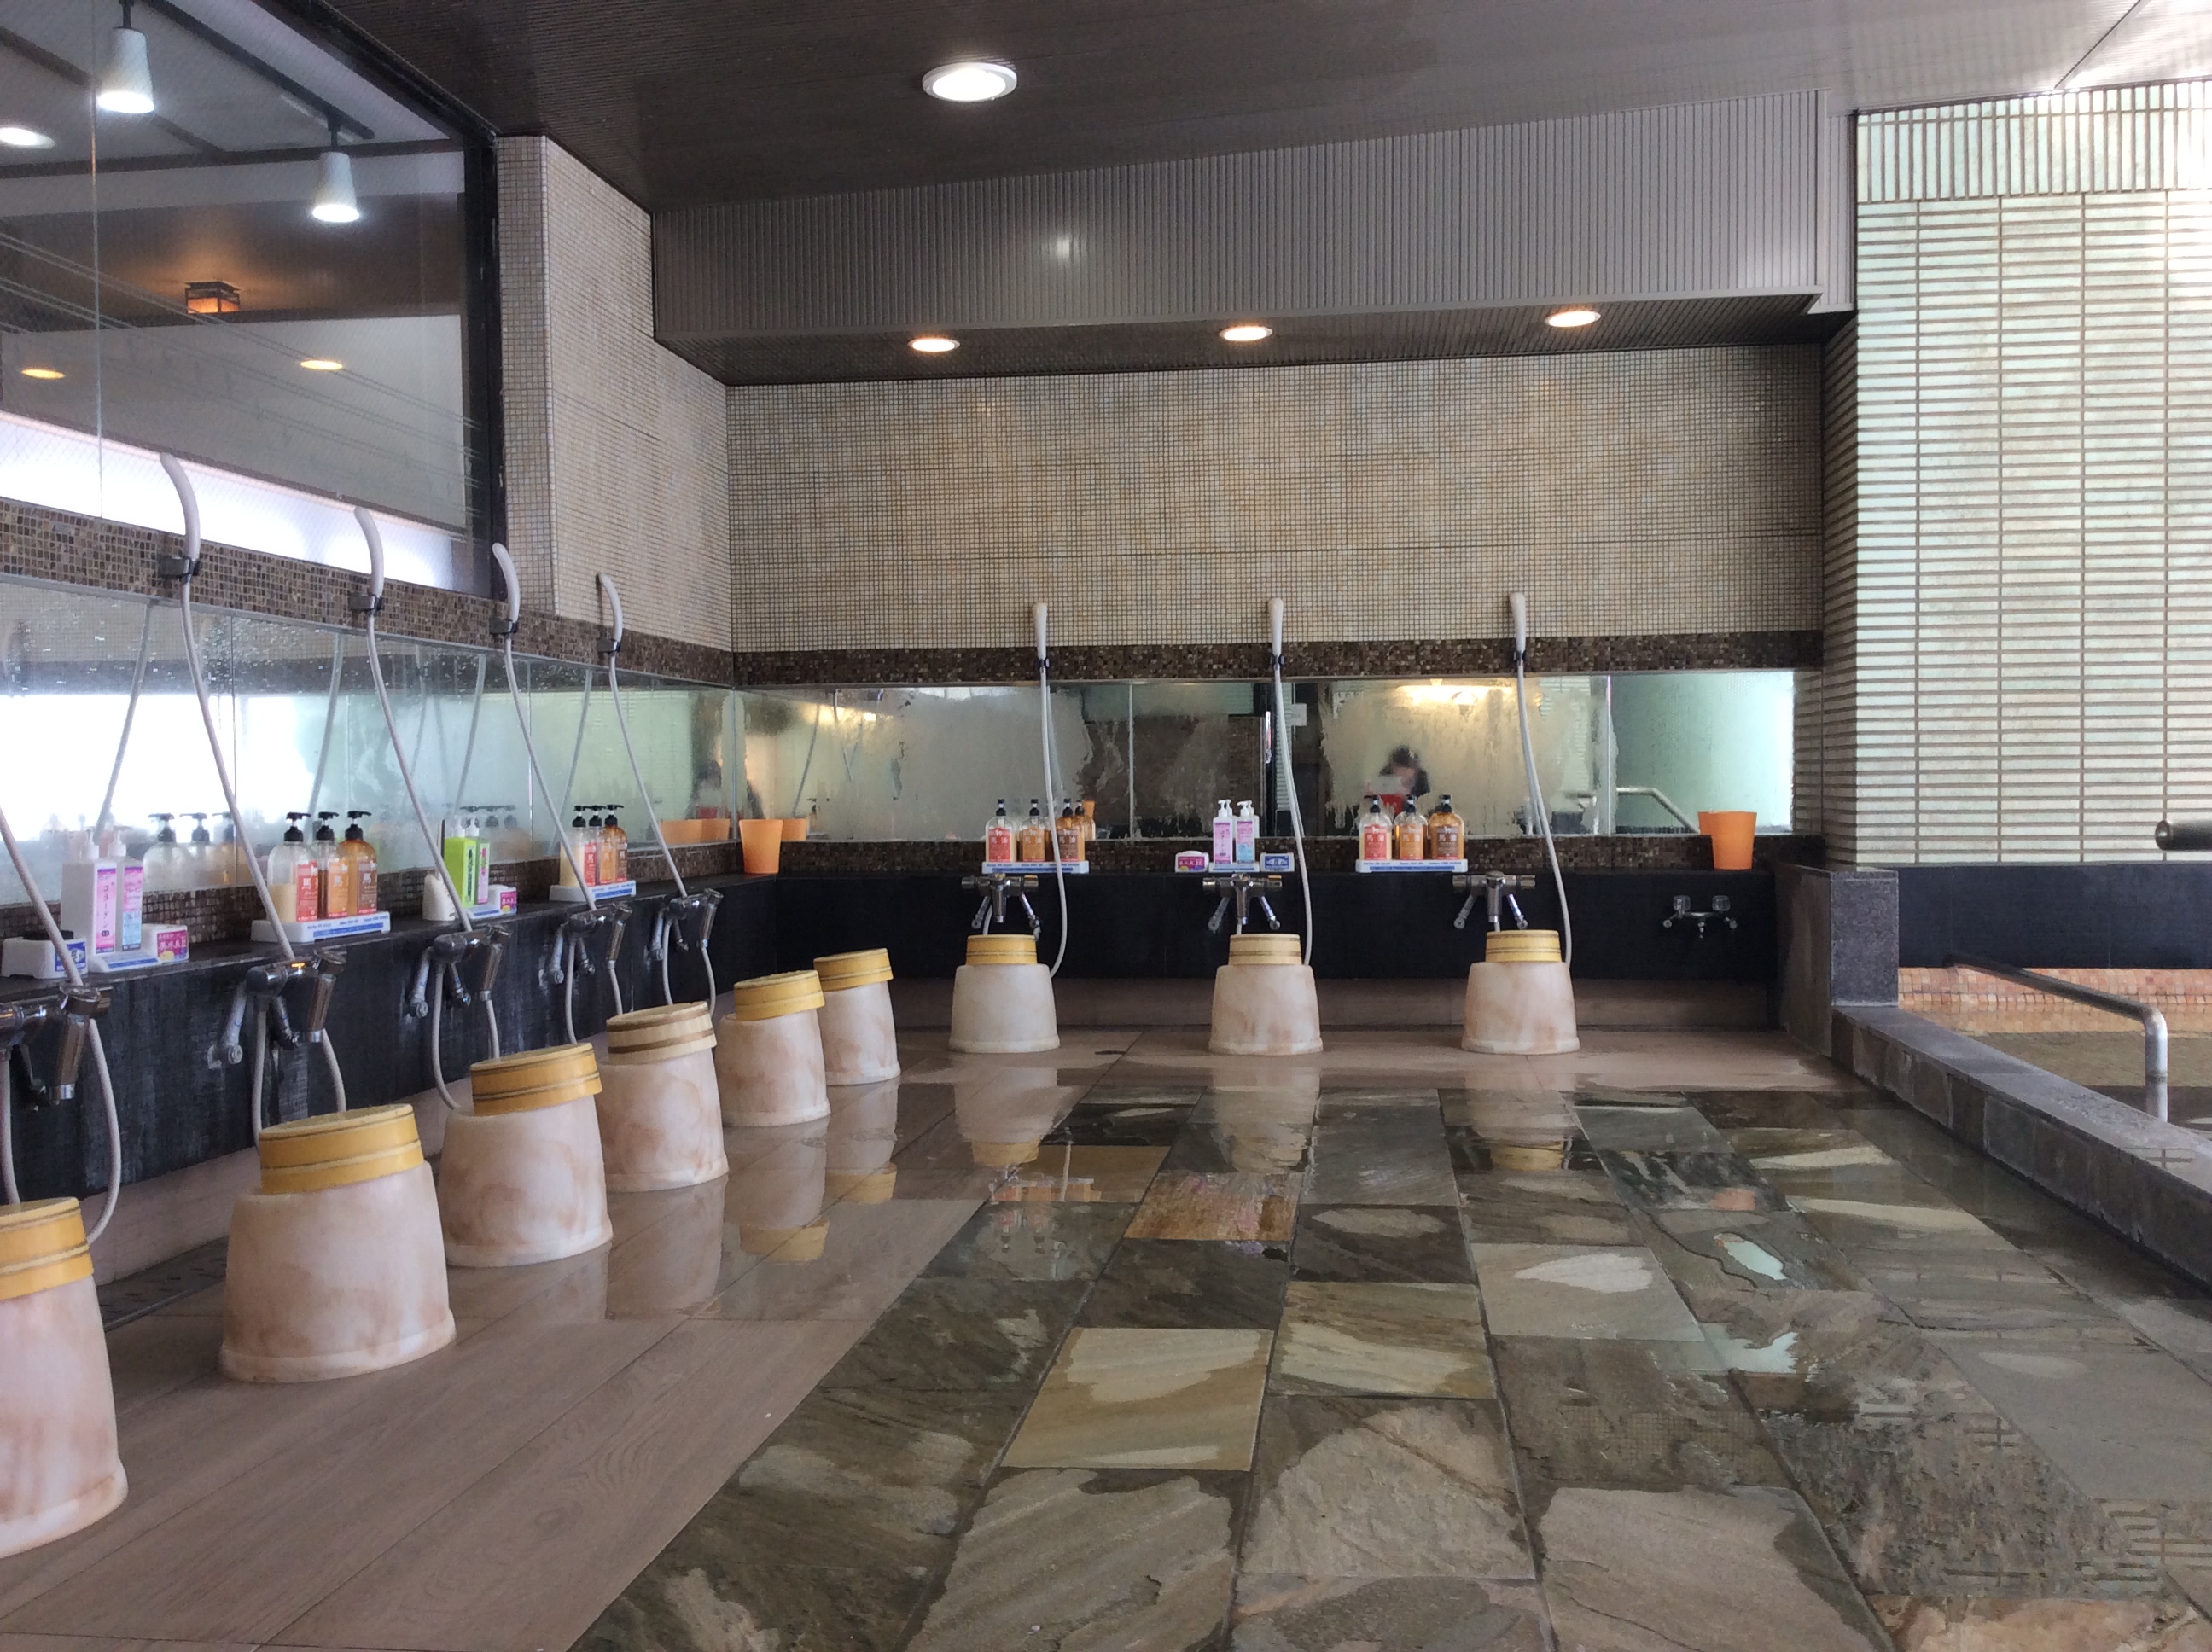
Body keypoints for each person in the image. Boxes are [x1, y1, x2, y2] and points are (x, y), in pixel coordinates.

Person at [1375, 746, 1431, 817]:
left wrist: (1406, 796)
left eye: (1408, 768)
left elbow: (1425, 806)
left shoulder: (1421, 779)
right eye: (1398, 767)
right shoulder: (1385, 776)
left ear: (1415, 769)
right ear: (1392, 767)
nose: (1403, 772)